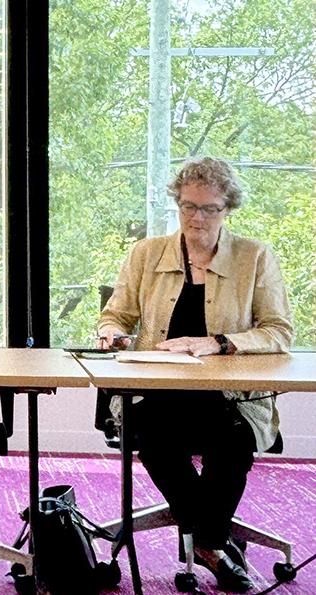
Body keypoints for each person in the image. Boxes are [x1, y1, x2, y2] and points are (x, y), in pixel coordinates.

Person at [98, 157, 292, 592]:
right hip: (157, 394)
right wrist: (111, 334)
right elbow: (115, 316)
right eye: (188, 206)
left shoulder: (254, 257)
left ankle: (205, 540)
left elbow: (278, 331)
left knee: (233, 445)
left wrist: (219, 342)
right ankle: (214, 543)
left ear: (228, 208)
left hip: (229, 398)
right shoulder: (146, 254)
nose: (196, 217)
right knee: (154, 439)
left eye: (209, 208)